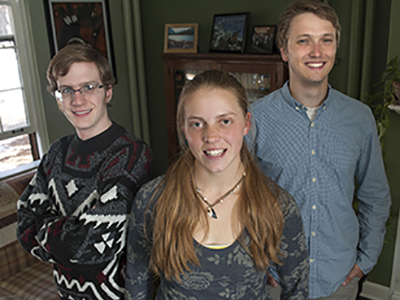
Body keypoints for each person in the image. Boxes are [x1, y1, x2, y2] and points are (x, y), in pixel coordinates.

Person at [247, 1, 391, 299]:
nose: (317, 51)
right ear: (284, 51)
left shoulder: (359, 118)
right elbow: (238, 198)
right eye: (304, 40)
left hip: (339, 279)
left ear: (335, 48)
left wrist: (364, 262)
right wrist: (257, 263)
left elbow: (375, 196)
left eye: (326, 40)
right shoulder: (255, 118)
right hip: (275, 281)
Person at [125, 70, 309, 299]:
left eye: (225, 121)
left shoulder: (278, 206)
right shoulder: (153, 198)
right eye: (197, 124)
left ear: (246, 123)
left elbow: (297, 290)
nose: (211, 136)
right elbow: (136, 281)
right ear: (184, 128)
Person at [17, 44, 152, 300]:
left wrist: (46, 229)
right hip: (65, 293)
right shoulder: (56, 152)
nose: (77, 100)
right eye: (66, 90)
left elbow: (93, 242)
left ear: (108, 92)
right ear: (58, 98)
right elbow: (24, 223)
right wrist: (68, 235)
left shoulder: (132, 154)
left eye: (89, 87)